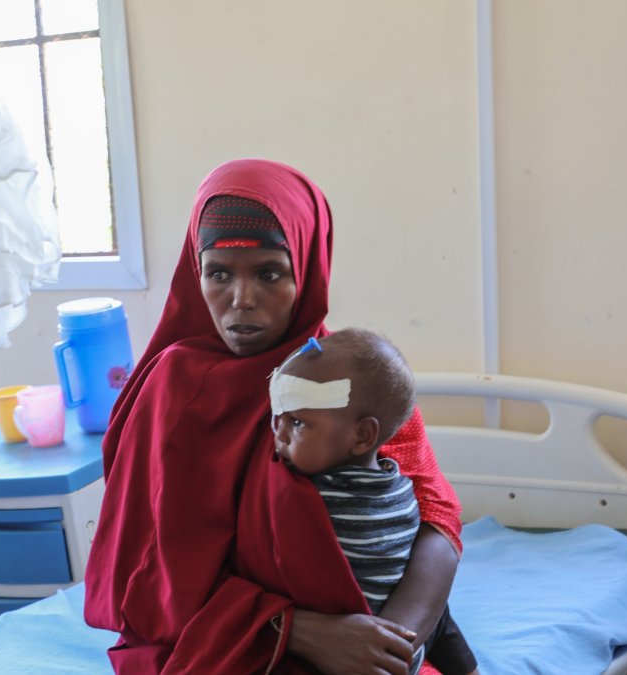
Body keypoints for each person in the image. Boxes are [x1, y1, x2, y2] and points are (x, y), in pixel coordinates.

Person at [84, 158, 466, 674]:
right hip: (213, 639)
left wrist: (390, 643)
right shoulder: (171, 391)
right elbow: (145, 570)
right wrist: (302, 631)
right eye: (218, 273)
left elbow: (436, 518)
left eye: (269, 273)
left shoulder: (350, 382)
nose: (241, 301)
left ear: (306, 268)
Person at [270, 329, 477, 675]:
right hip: (396, 647)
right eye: (278, 418)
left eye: (298, 422)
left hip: (358, 653)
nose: (279, 433)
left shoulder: (311, 496)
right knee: (442, 616)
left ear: (363, 435)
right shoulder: (400, 486)